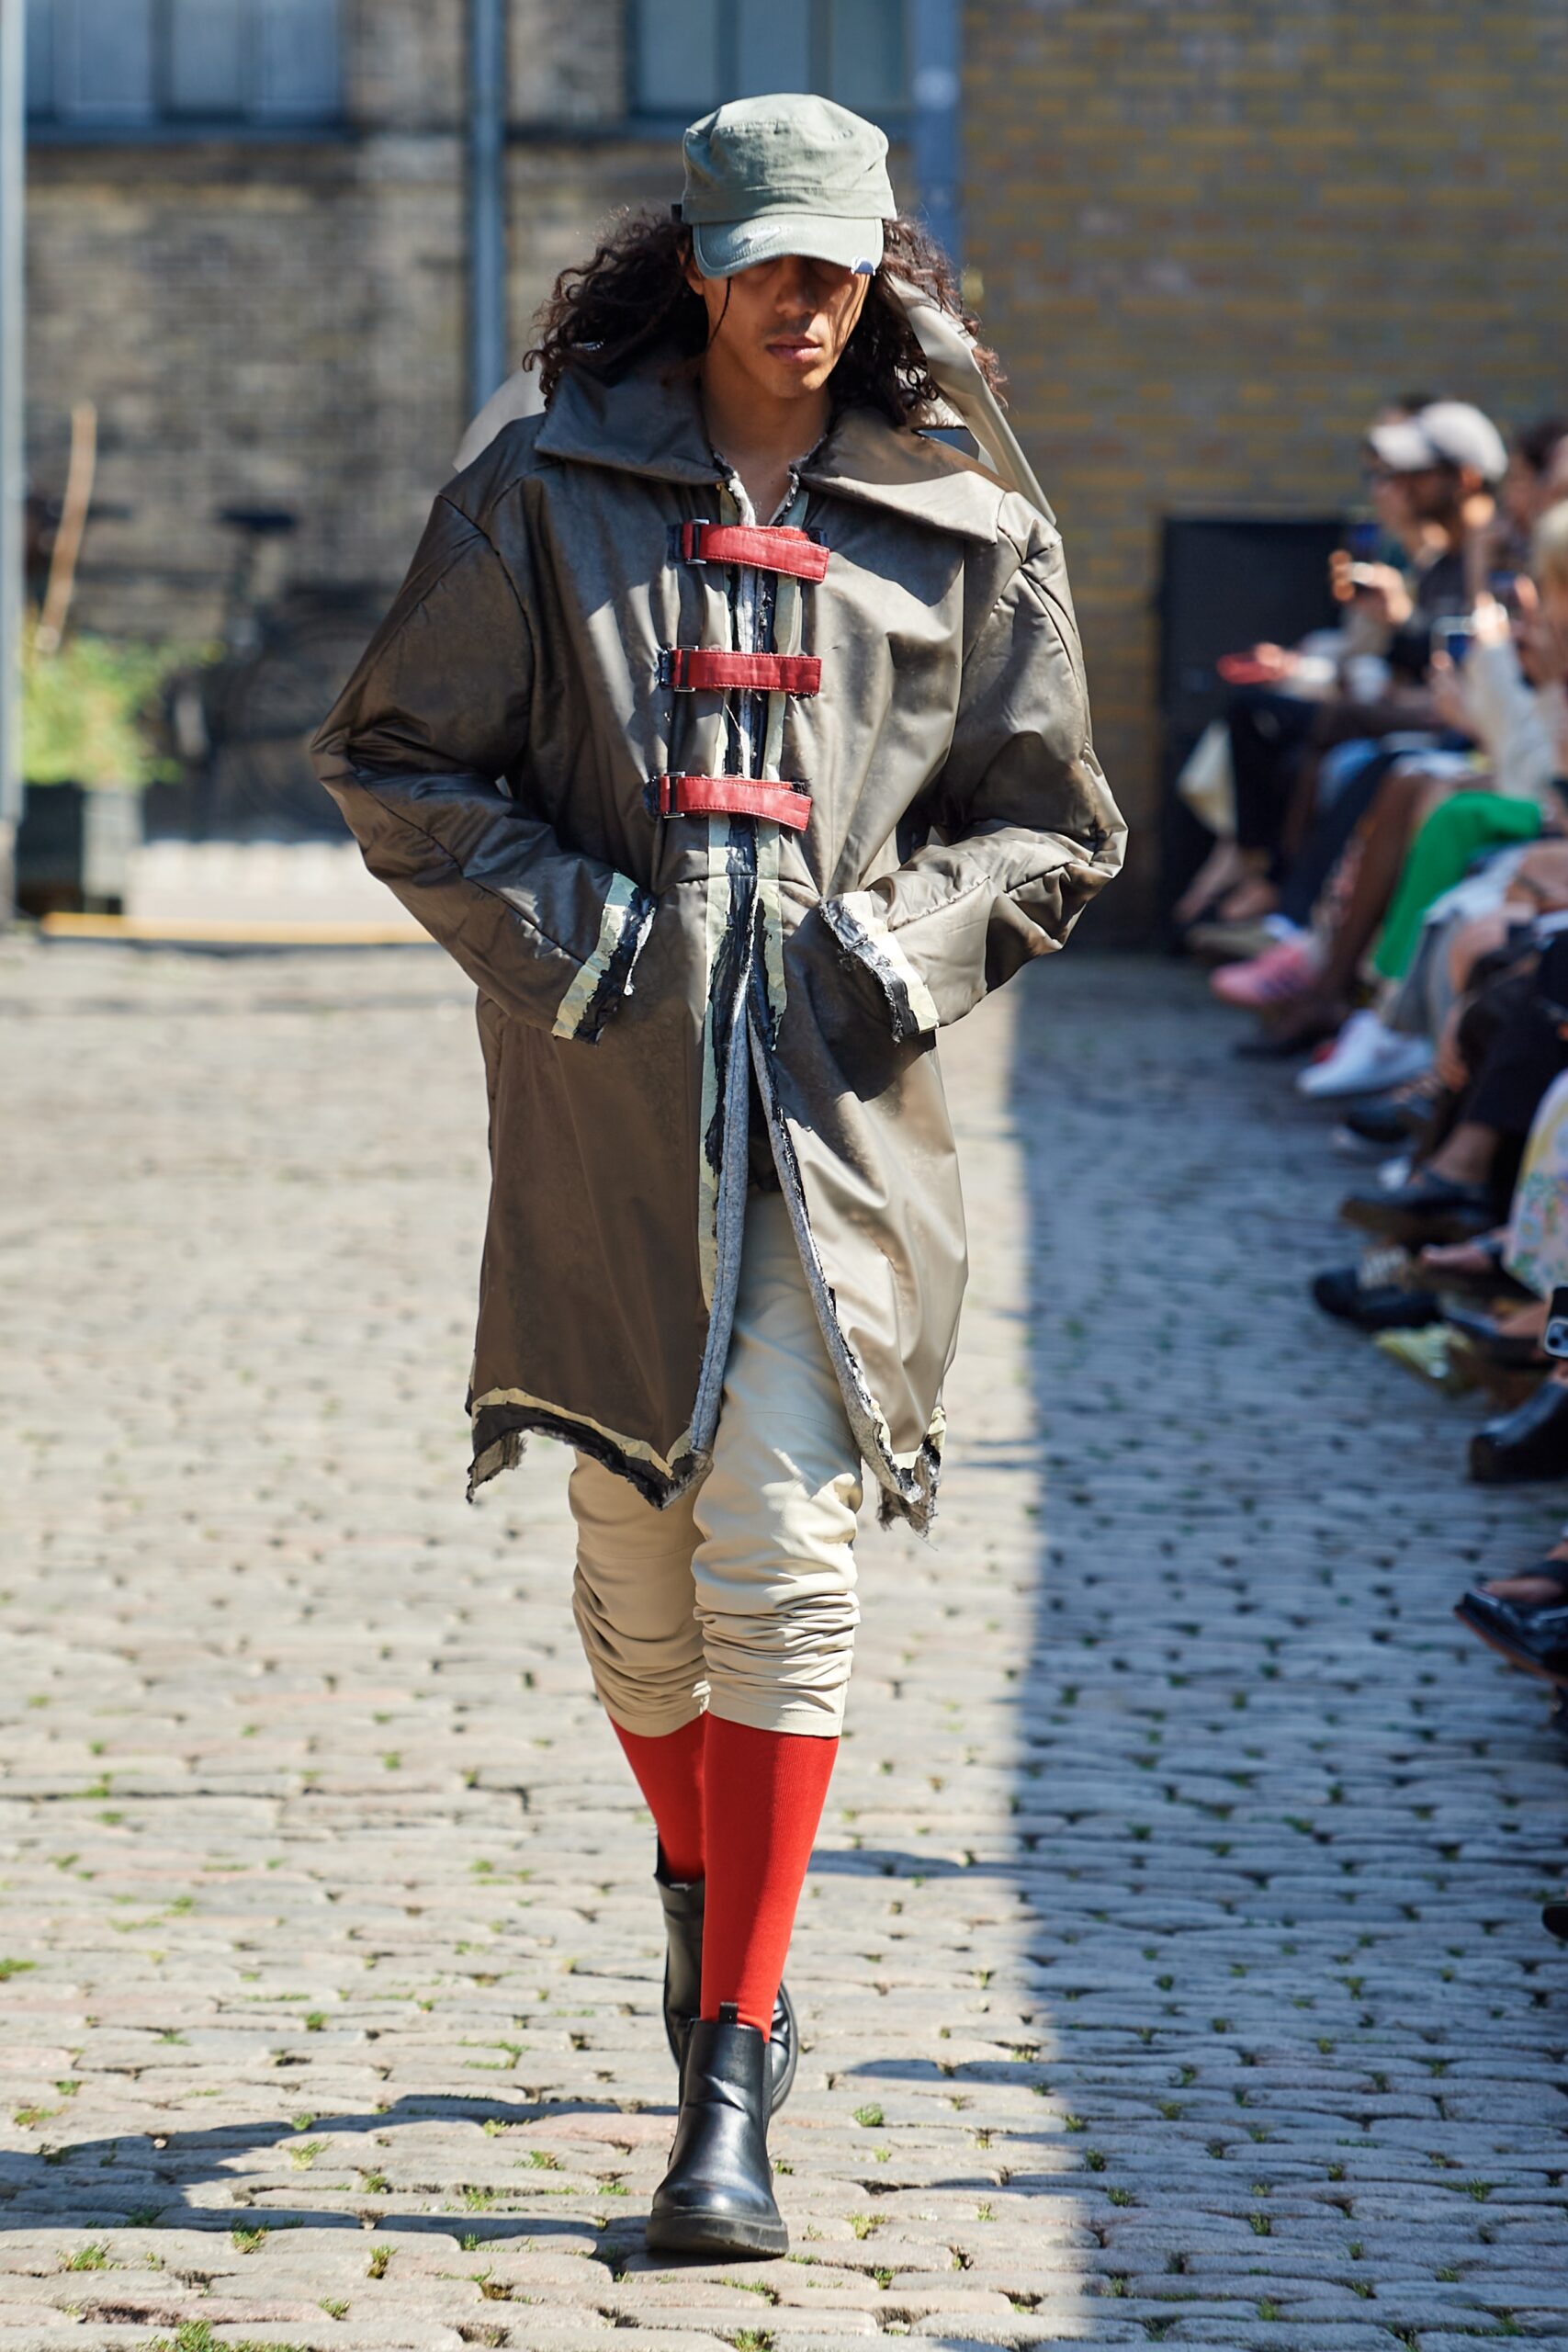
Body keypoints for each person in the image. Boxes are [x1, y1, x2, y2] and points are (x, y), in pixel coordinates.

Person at [313, 94, 1123, 2261]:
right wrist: (583, 935)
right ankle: (705, 1897)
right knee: (634, 1554)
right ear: (695, 256)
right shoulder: (544, 487)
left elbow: (1052, 822)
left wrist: (897, 940)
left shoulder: (961, 523)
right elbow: (393, 756)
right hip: (603, 1106)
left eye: (836, 265)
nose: (801, 300)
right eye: (765, 260)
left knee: (777, 1541)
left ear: (880, 267)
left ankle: (729, 2059)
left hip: (846, 1121)